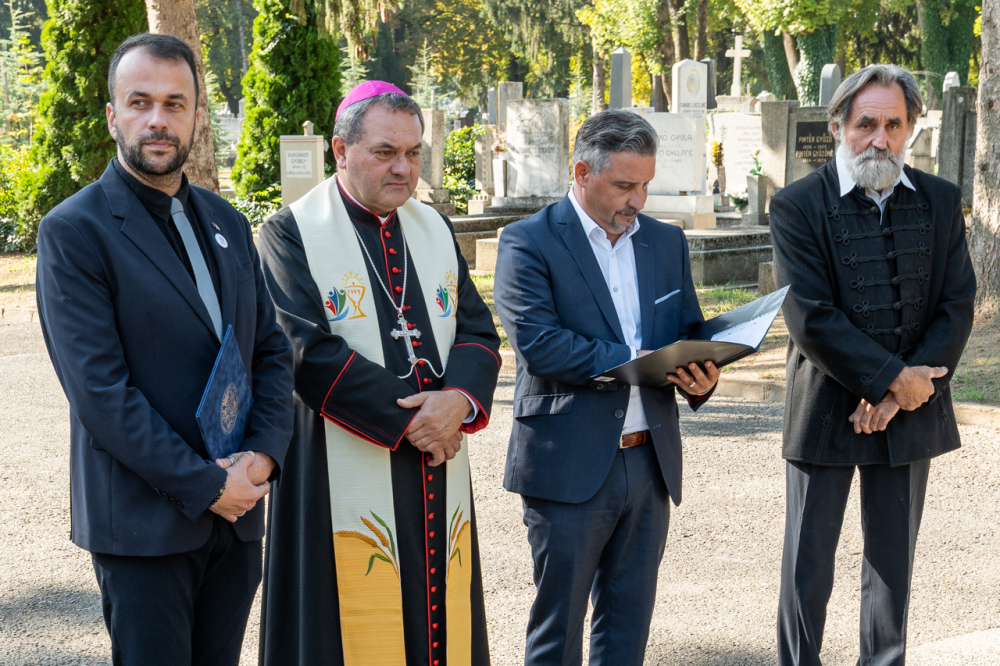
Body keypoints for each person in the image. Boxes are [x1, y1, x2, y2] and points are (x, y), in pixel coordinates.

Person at [34, 34, 294, 666]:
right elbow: (101, 394)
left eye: (175, 104)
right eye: (140, 102)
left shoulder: (227, 222)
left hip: (237, 517)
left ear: (196, 116)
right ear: (112, 115)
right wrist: (207, 485)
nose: (158, 119)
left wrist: (261, 458)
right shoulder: (74, 231)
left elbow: (269, 351)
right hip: (145, 525)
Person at [256, 81, 501, 666]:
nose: (404, 168)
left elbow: (477, 330)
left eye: (414, 153)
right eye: (386, 152)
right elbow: (303, 351)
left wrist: (457, 401)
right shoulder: (289, 232)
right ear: (341, 151)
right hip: (335, 460)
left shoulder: (433, 228)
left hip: (437, 456)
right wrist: (419, 419)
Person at [493, 109, 721, 666]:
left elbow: (687, 330)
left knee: (627, 631)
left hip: (649, 463)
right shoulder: (528, 241)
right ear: (582, 172)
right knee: (558, 634)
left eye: (645, 185)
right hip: (567, 462)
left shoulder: (666, 242)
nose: (637, 200)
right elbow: (540, 344)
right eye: (623, 186)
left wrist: (703, 374)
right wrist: (635, 361)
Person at [769, 64, 976, 666]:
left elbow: (956, 305)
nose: (879, 140)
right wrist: (891, 379)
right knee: (808, 566)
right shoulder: (796, 205)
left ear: (910, 129)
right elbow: (810, 316)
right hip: (825, 406)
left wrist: (903, 392)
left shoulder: (941, 200)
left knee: (892, 569)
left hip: (910, 408)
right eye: (866, 124)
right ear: (838, 126)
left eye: (893, 125)